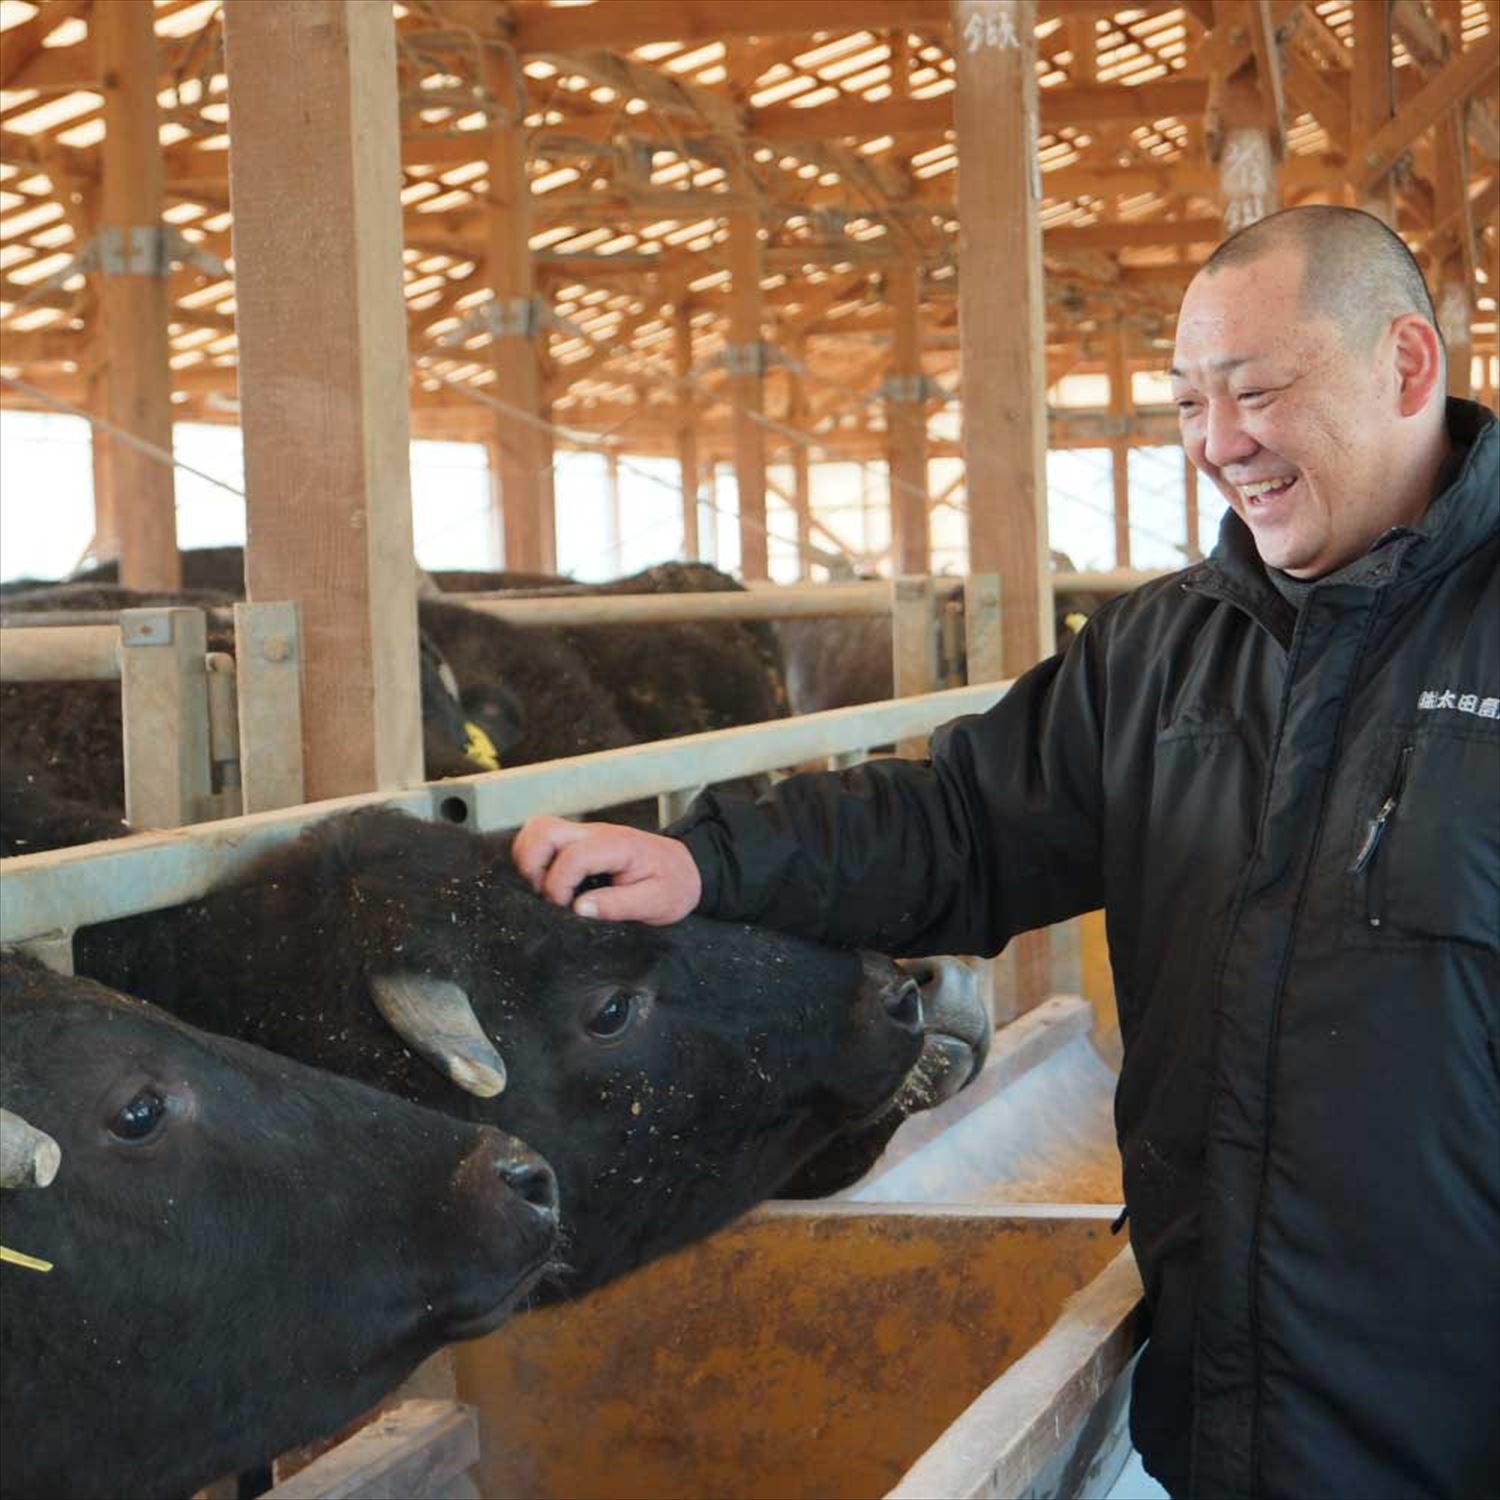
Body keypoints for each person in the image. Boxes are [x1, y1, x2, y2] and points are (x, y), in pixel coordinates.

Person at [513, 205, 1499, 1498]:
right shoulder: (1163, 656)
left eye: (1256, 391)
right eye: (1190, 403)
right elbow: (963, 824)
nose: (1219, 444)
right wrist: (709, 862)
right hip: (1230, 1401)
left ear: (1408, 366)